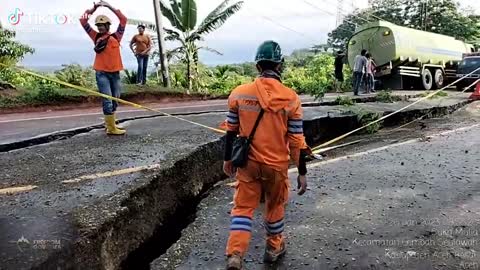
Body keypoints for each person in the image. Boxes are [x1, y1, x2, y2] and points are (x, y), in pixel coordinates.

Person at [223, 40, 311, 270]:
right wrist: (301, 171)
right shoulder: (291, 98)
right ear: (280, 65)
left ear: (257, 66)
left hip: (248, 164)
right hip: (276, 166)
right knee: (274, 206)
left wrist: (227, 159)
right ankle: (273, 248)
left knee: (242, 208)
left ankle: (235, 254)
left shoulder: (239, 94)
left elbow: (230, 132)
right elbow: (296, 140)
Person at [80, 1, 127, 135]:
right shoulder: (96, 37)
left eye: (102, 25)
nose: (100, 28)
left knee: (116, 100)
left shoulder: (116, 36)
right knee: (107, 100)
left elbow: (123, 19)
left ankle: (110, 124)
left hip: (115, 73)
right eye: (98, 25)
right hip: (102, 74)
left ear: (107, 26)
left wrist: (108, 6)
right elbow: (83, 20)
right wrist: (93, 9)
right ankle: (111, 129)